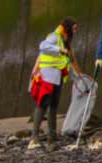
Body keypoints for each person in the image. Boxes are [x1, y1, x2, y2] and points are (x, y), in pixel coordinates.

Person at [28, 18, 80, 150]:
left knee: (54, 106)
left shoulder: (64, 41)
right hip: (47, 76)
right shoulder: (54, 37)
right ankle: (34, 138)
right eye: (74, 28)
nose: (75, 31)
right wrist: (59, 50)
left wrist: (78, 77)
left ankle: (52, 139)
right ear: (68, 27)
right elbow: (42, 46)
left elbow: (66, 62)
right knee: (43, 104)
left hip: (57, 77)